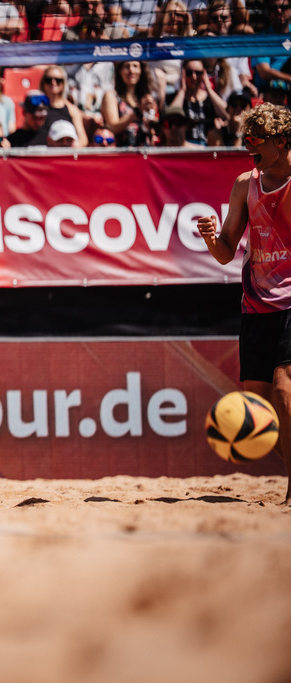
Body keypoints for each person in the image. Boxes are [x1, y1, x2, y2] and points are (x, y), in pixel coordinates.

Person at [196, 102, 291, 504]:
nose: (248, 145)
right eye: (245, 137)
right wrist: (210, 237)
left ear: (281, 141)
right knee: (258, 405)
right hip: (256, 302)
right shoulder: (243, 184)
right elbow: (224, 252)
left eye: (256, 138)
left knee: (285, 390)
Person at [170, 58, 228, 146]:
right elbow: (170, 117)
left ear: (204, 74)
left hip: (209, 147)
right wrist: (182, 91)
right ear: (183, 73)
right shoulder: (176, 98)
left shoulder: (210, 99)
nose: (194, 77)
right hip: (184, 147)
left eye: (198, 73)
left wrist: (209, 89)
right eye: (189, 73)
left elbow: (228, 115)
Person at [102, 60, 159, 147]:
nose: (131, 70)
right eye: (127, 66)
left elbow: (154, 129)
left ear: (141, 70)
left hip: (145, 150)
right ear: (120, 71)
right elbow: (112, 128)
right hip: (122, 150)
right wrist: (137, 112)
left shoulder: (146, 98)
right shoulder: (111, 96)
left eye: (135, 66)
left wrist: (152, 119)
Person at [40, 64, 88, 147]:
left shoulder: (71, 110)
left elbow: (83, 140)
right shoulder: (37, 106)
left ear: (63, 84)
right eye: (48, 80)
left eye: (58, 80)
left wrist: (68, 150)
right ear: (43, 83)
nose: (53, 83)